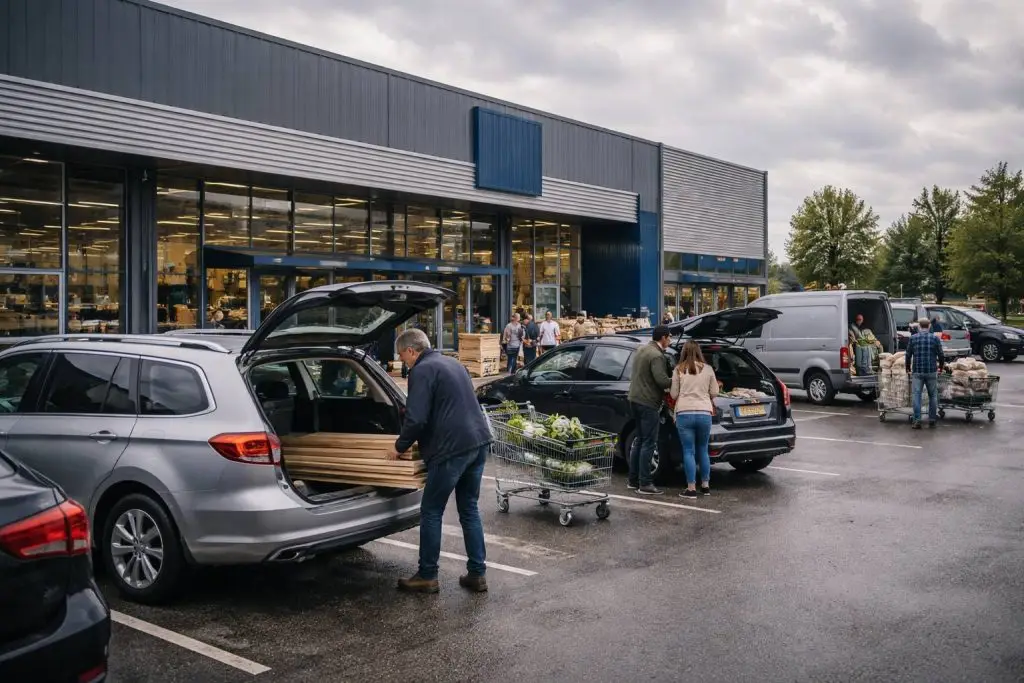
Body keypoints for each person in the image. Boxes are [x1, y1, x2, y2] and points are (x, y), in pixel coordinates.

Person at [386, 328, 492, 594]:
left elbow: (417, 418)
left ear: (411, 350)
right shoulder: (453, 363)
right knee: (469, 508)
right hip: (477, 442)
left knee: (431, 511)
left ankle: (427, 575)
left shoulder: (422, 371)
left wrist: (399, 447)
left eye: (402, 356)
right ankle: (477, 574)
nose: (403, 362)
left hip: (451, 449)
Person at [627, 325, 674, 495]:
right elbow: (662, 381)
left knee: (639, 440)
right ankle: (645, 483)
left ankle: (633, 480)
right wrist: (678, 378)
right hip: (648, 403)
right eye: (669, 337)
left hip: (634, 399)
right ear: (663, 337)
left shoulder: (642, 349)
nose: (670, 340)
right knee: (649, 442)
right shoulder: (656, 356)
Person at [670, 341, 719, 498]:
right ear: (699, 351)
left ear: (684, 352)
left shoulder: (678, 369)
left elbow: (673, 394)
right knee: (703, 449)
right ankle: (706, 486)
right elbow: (715, 392)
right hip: (704, 413)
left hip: (684, 413)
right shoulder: (709, 369)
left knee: (688, 451)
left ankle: (691, 488)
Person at [906, 317, 944, 429]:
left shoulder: (913, 338)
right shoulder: (935, 338)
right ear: (929, 326)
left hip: (917, 371)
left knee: (916, 396)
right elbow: (941, 355)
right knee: (933, 396)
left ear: (918, 326)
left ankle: (917, 420)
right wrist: (941, 367)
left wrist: (907, 368)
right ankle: (932, 419)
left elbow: (908, 355)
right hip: (931, 371)